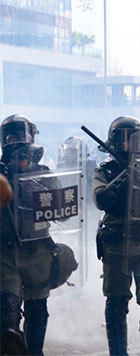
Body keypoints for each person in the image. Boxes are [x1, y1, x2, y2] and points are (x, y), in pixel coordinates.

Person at [93, 116, 140, 355]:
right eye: (130, 140)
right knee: (116, 304)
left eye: (139, 140)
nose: (137, 145)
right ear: (116, 142)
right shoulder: (104, 171)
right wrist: (127, 175)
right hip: (116, 243)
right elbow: (102, 199)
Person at [0, 114, 59, 355]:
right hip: (6, 250)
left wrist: (34, 181)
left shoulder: (44, 174)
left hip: (38, 250)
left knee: (37, 308)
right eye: (10, 138)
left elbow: (62, 210)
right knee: (7, 307)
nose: (16, 146)